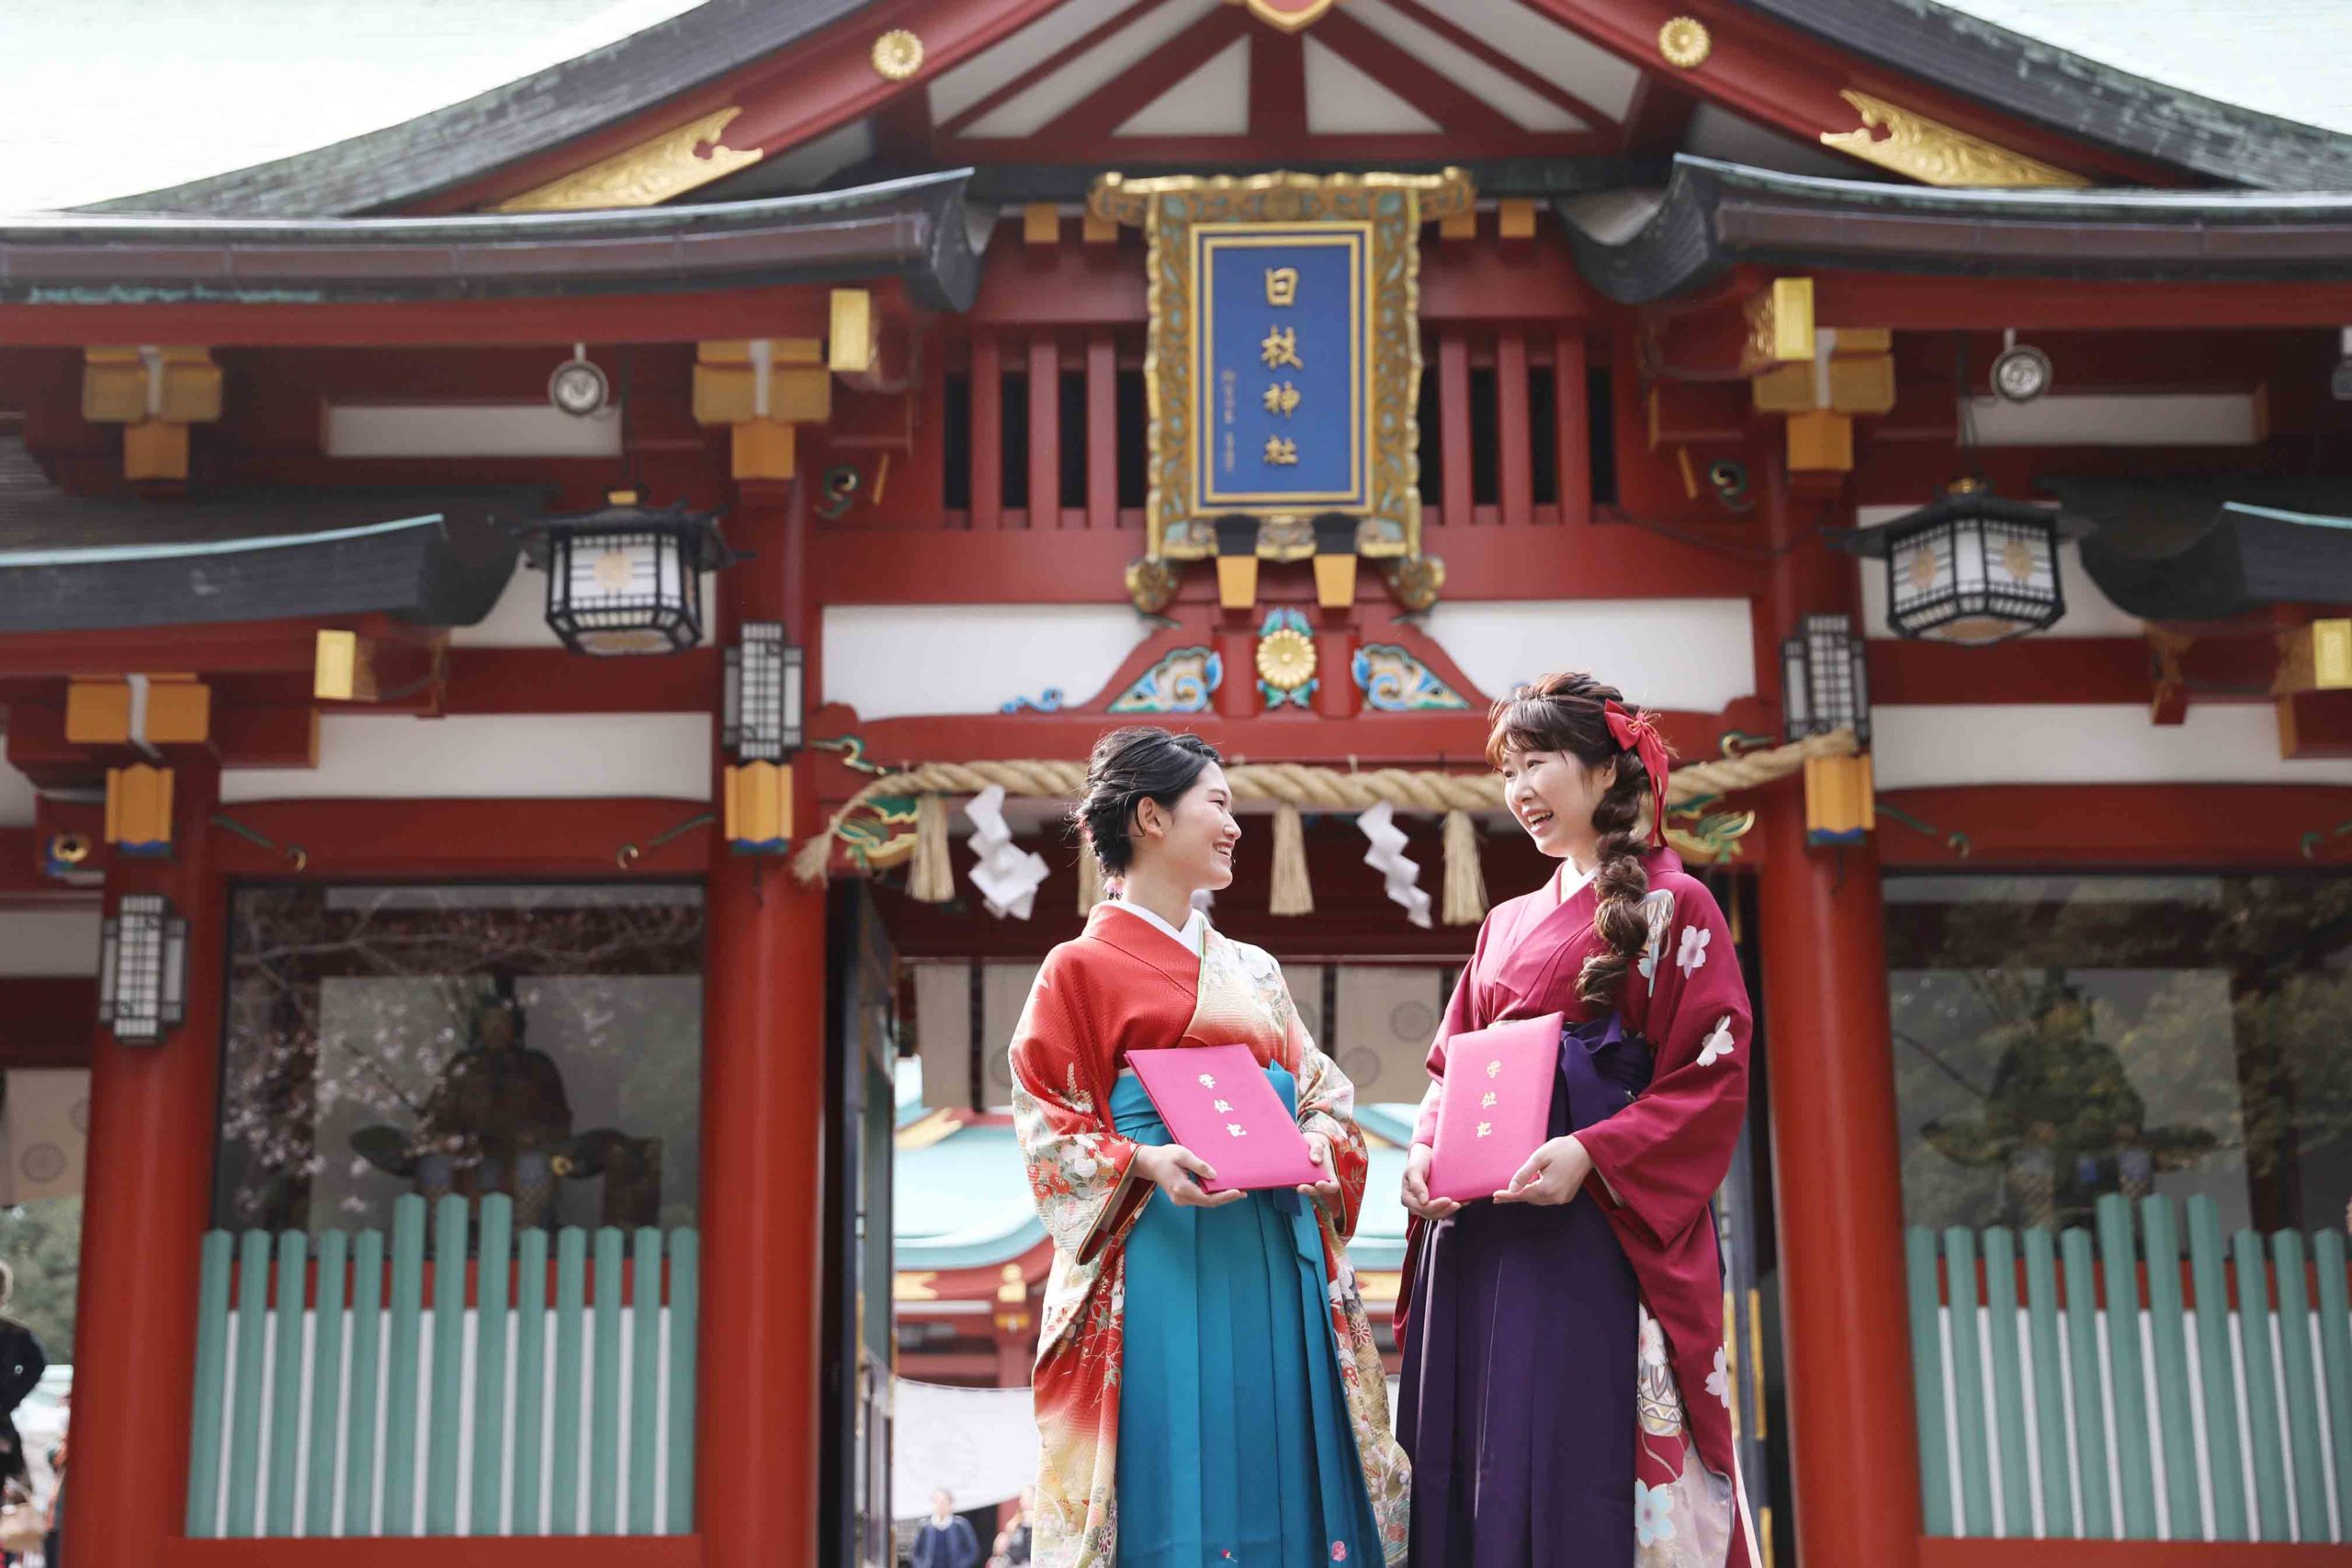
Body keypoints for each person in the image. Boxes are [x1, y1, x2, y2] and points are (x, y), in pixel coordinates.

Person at [1010, 727, 1408, 1567]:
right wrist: (1145, 1161)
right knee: (1171, 1474)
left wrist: (1311, 1140)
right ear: (1150, 816)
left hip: (1272, 1241)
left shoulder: (1254, 970)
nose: (1235, 825)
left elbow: (1326, 1094)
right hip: (1154, 1251)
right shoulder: (1077, 968)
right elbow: (1049, 1115)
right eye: (1218, 804)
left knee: (1282, 1462)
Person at [1394, 672, 1758, 1566]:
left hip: (1588, 1224)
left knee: (1569, 1447)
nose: (1518, 788)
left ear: (1604, 770)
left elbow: (1711, 1070)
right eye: (1507, 768)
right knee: (1475, 1450)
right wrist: (1425, 1148)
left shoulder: (1680, 905)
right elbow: (1452, 1064)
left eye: (1538, 761)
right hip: (1479, 1226)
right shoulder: (1505, 923)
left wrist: (1592, 1151)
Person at [912, 1489, 980, 1568]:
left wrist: (961, 1565)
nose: (940, 1506)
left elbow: (973, 1551)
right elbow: (915, 1552)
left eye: (944, 1502)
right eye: (937, 1502)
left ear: (950, 1505)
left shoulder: (961, 1525)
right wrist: (921, 1565)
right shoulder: (925, 1526)